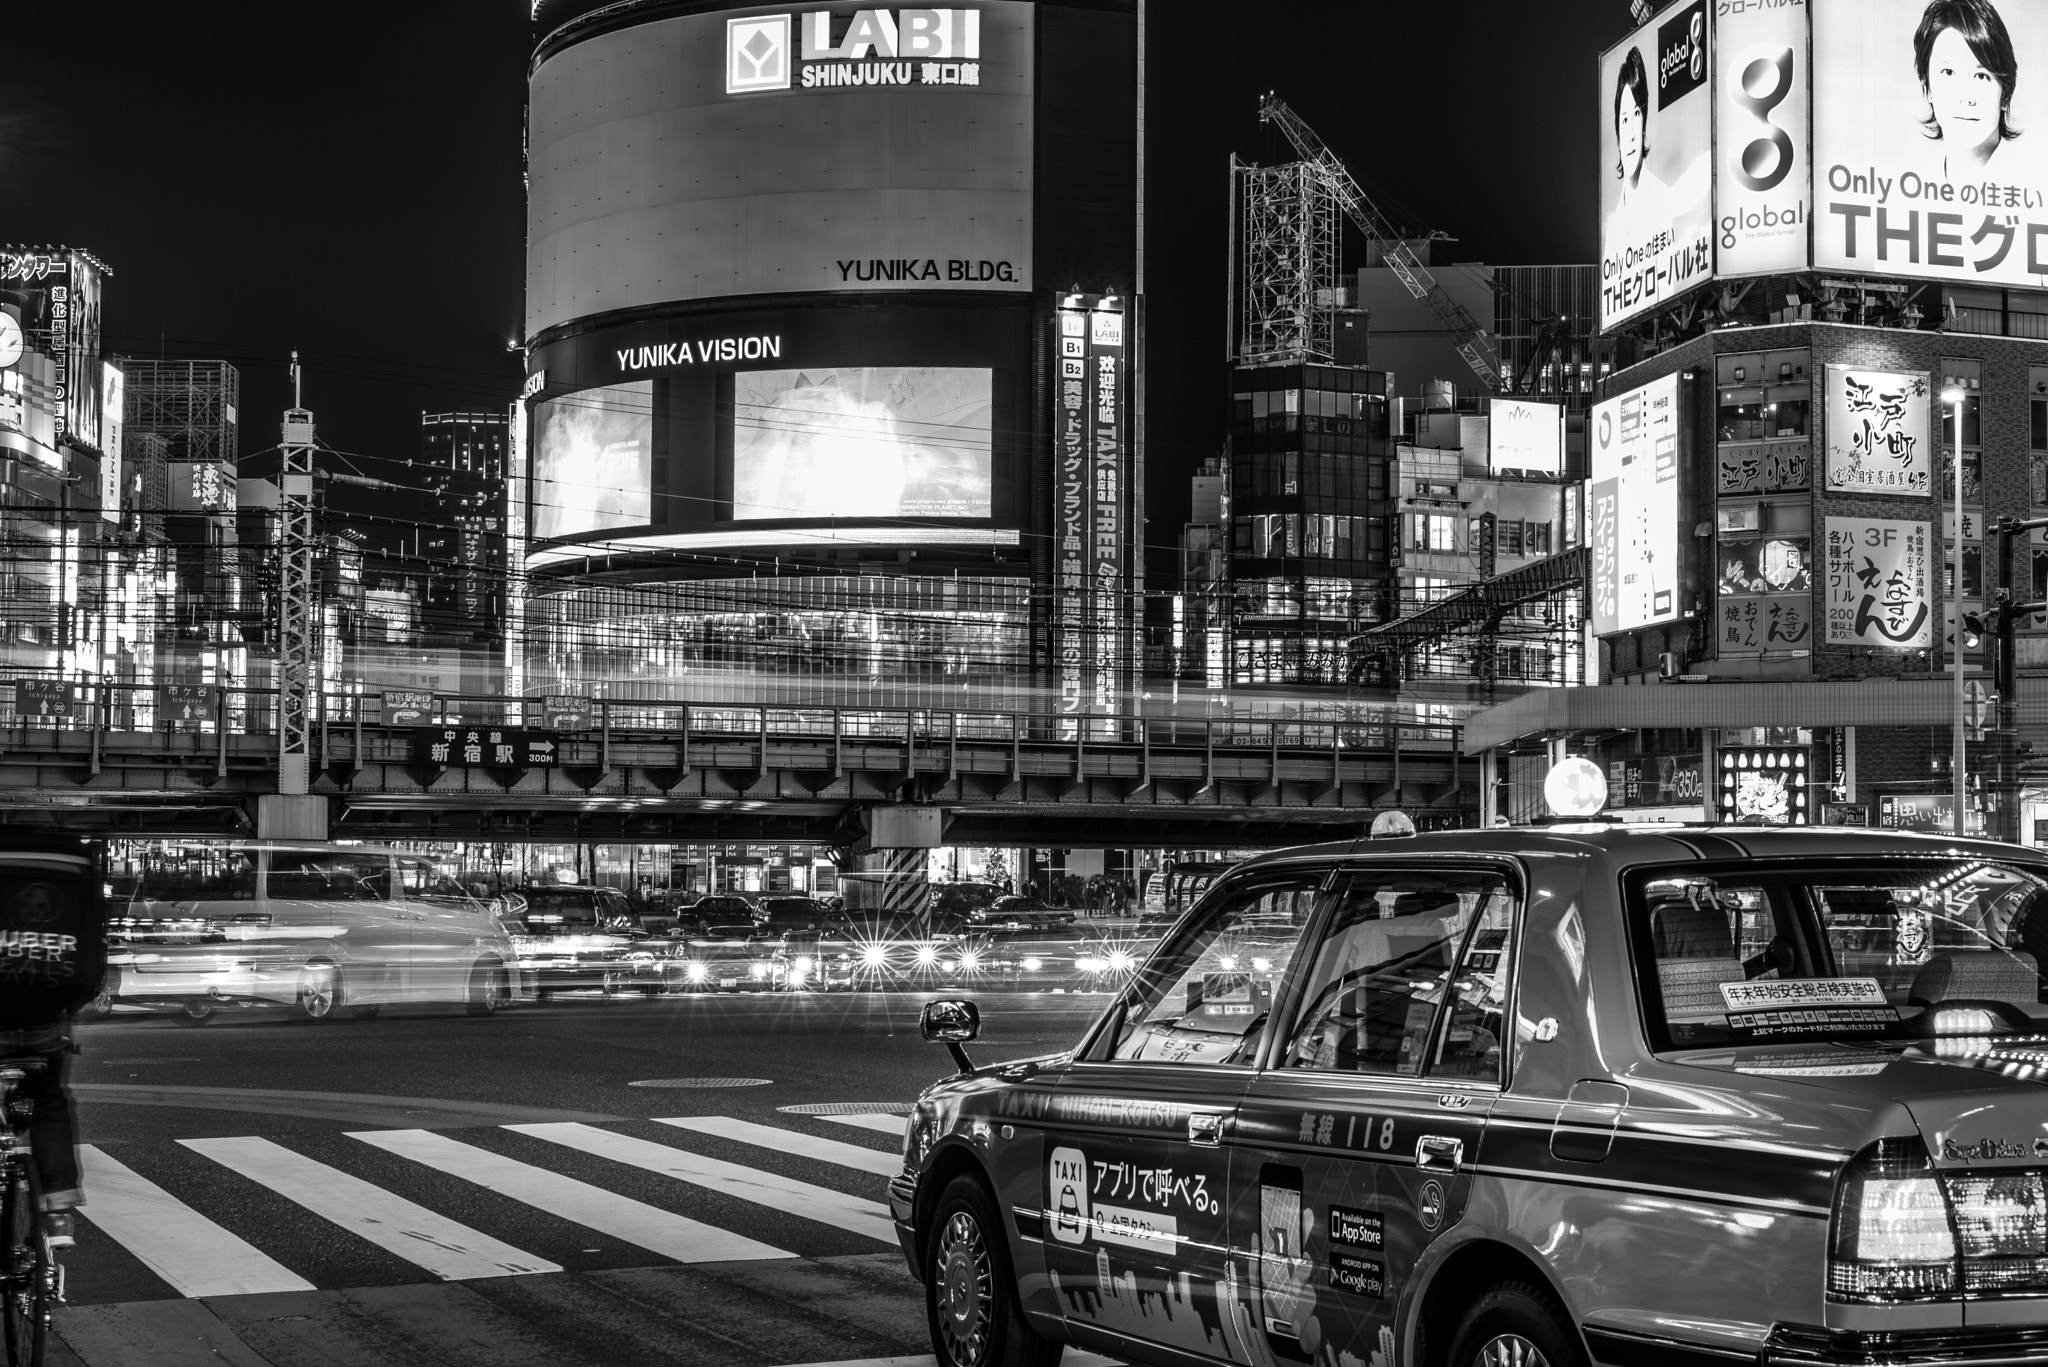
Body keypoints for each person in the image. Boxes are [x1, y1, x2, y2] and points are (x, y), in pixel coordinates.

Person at [0, 839, 108, 1253]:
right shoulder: (76, 871)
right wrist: (67, 1008)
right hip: (46, 1016)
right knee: (49, 1104)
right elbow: (95, 955)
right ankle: (58, 1208)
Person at [1916, 0, 2021, 178]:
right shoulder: (1912, 188)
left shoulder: (2035, 184)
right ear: (1928, 88)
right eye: (1948, 72)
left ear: (2005, 94)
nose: (1965, 97)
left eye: (1981, 76)